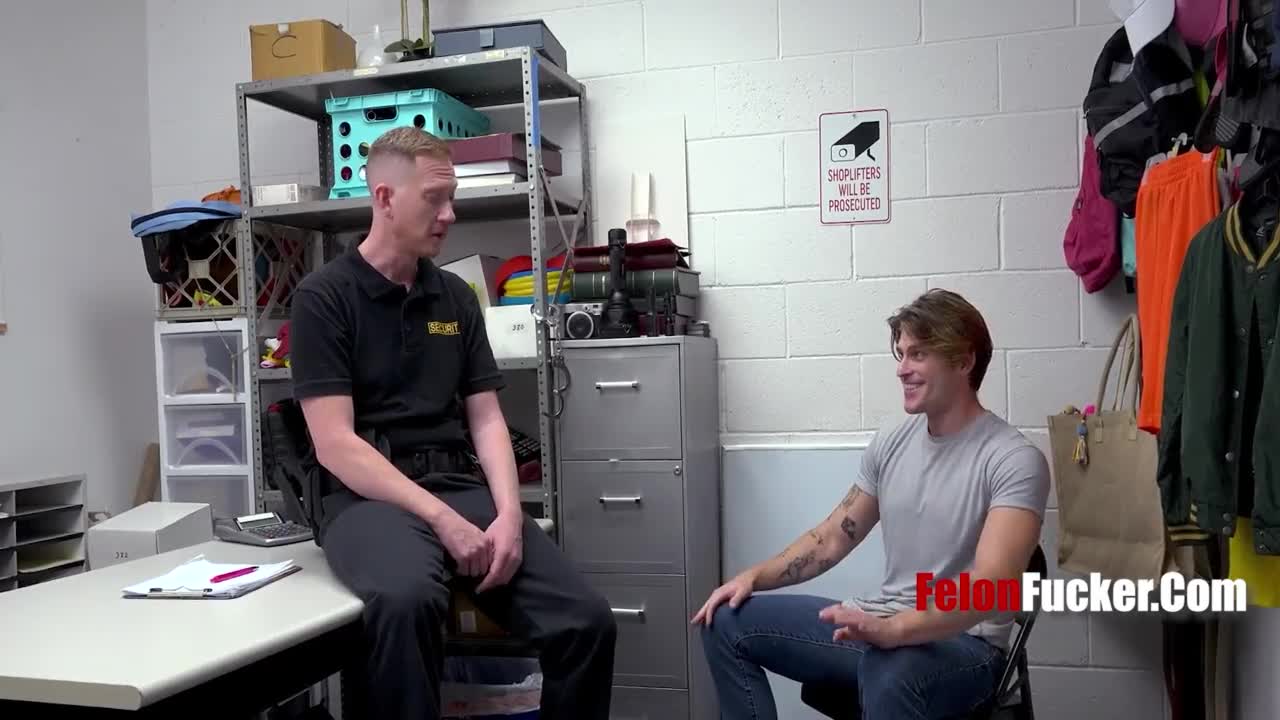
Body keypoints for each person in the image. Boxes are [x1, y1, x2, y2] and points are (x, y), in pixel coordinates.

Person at [288, 126, 617, 720]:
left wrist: (510, 516)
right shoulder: (324, 297)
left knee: (586, 622)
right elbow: (335, 444)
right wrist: (442, 521)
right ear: (385, 198)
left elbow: (486, 419)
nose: (449, 214)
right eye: (434, 199)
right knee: (407, 601)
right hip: (367, 499)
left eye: (452, 198)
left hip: (458, 486)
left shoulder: (455, 298)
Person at [692, 289, 1051, 720]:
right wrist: (753, 577)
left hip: (965, 647)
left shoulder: (1013, 459)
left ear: (963, 361)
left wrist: (896, 630)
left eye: (918, 354)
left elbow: (990, 585)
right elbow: (831, 539)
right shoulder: (892, 441)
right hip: (881, 625)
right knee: (725, 620)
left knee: (890, 669)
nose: (902, 369)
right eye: (901, 354)